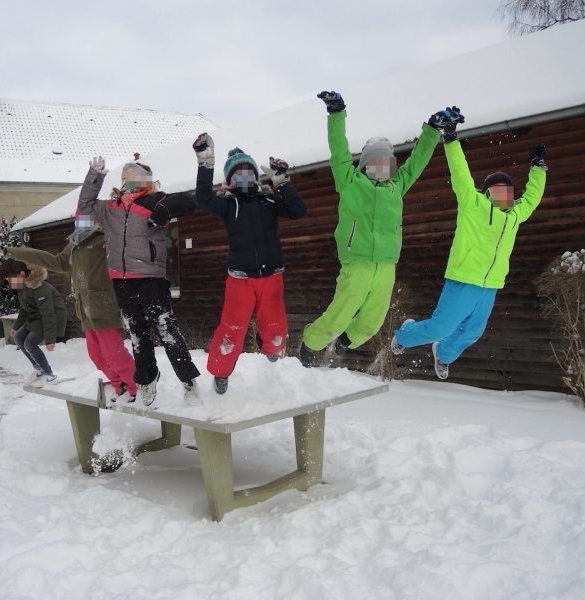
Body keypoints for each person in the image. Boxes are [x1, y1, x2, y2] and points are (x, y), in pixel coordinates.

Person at [391, 110, 548, 380]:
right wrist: (451, 139)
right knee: (441, 326)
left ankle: (443, 354)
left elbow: (532, 198)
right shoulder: (472, 204)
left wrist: (537, 167)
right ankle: (405, 335)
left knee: (473, 332)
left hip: (490, 286)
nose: (504, 195)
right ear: (486, 193)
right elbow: (461, 173)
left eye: (508, 191)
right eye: (497, 190)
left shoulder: (514, 217)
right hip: (463, 280)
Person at [299, 90, 445, 367]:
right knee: (339, 316)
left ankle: (343, 343)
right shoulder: (350, 182)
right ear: (366, 165)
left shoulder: (396, 187)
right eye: (376, 162)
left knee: (372, 322)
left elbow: (418, 162)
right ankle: (310, 343)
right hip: (357, 263)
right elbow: (339, 152)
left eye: (388, 162)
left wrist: (432, 131)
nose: (383, 166)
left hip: (386, 265)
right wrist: (336, 114)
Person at [78, 156, 201, 406]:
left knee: (166, 331)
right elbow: (84, 208)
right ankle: (147, 377)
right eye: (125, 177)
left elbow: (188, 202)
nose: (128, 181)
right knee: (137, 334)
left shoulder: (155, 201)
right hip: (121, 280)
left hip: (150, 279)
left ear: (145, 180)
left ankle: (188, 380)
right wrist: (95, 176)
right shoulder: (110, 209)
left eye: (133, 177)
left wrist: (164, 210)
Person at [192, 133, 307, 394]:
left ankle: (271, 347)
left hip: (272, 276)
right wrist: (205, 162)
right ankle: (221, 372)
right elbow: (202, 198)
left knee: (275, 324)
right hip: (240, 279)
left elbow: (299, 211)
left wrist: (282, 181)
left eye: (249, 173)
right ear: (230, 180)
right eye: (237, 174)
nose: (244, 177)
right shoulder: (226, 204)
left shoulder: (268, 202)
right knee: (231, 329)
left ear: (256, 177)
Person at [7, 179, 137, 402]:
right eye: (78, 218)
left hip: (104, 306)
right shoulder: (74, 244)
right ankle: (119, 385)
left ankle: (136, 386)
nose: (80, 221)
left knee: (114, 354)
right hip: (85, 311)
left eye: (83, 217)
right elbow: (57, 262)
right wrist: (20, 253)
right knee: (97, 357)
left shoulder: (105, 238)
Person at [1, 258, 67, 386]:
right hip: (36, 317)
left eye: (10, 279)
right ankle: (39, 369)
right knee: (19, 337)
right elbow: (24, 310)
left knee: (30, 343)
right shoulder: (23, 287)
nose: (9, 283)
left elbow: (49, 314)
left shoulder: (39, 288)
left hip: (52, 316)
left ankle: (49, 374)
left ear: (21, 274)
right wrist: (16, 327)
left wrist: (50, 339)